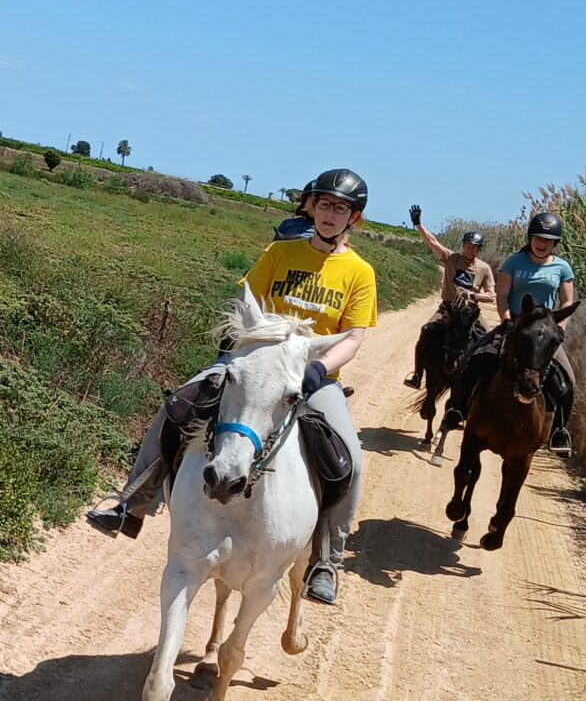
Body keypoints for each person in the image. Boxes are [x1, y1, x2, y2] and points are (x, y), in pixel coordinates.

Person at [87, 168, 377, 604]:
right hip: (256, 365)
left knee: (350, 459)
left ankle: (326, 561)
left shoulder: (359, 273)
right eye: (324, 203)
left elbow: (353, 338)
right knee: (177, 406)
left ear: (353, 217)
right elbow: (247, 301)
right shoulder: (281, 253)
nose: (330, 213)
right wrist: (236, 345)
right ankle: (133, 504)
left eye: (341, 208)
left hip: (312, 377)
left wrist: (318, 371)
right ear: (311, 207)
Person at [443, 213, 576, 455]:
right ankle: (457, 409)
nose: (542, 243)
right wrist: (505, 320)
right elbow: (502, 294)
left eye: (548, 239)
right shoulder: (514, 262)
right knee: (472, 358)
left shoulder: (562, 267)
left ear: (555, 242)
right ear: (530, 237)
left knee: (566, 380)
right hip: (514, 325)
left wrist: (560, 329)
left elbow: (567, 301)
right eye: (538, 237)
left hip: (545, 332)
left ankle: (559, 430)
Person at [403, 205, 495, 389]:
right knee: (426, 331)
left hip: (470, 312)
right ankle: (417, 374)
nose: (470, 250)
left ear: (479, 249)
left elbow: (492, 295)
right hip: (448, 309)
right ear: (463, 246)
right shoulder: (451, 258)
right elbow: (433, 242)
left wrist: (473, 295)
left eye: (474, 248)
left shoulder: (484, 268)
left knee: (488, 340)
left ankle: (483, 383)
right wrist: (418, 224)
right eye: (468, 246)